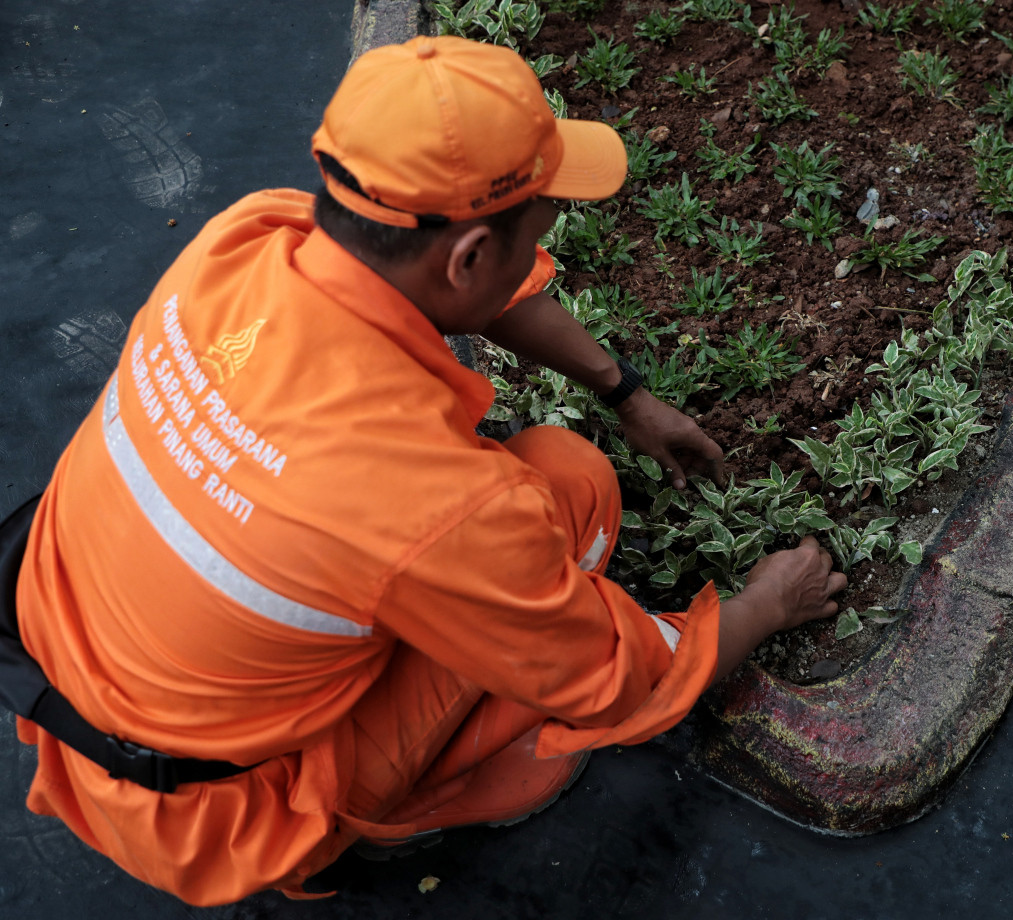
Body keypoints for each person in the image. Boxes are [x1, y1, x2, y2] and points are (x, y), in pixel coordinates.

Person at [0, 35, 846, 906]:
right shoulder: (440, 508)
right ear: (469, 255)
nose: (530, 263)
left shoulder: (247, 239)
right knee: (575, 487)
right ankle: (392, 812)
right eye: (533, 236)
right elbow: (628, 679)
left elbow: (485, 292)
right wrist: (762, 607)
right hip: (220, 819)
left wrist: (622, 391)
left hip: (66, 706)